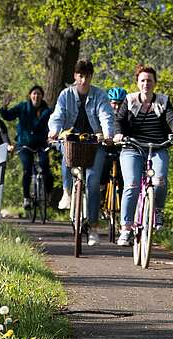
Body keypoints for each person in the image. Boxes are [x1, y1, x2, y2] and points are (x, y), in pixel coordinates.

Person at [113, 64, 173, 246]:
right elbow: (118, 121)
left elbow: (172, 120)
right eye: (143, 80)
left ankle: (158, 211)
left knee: (160, 180)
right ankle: (126, 228)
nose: (146, 83)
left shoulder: (163, 101)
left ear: (155, 83)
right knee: (131, 184)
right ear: (137, 83)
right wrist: (118, 134)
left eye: (150, 80)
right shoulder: (129, 100)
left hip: (157, 147)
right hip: (132, 148)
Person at [48, 59, 115, 246]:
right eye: (80, 76)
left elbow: (106, 115)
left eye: (87, 76)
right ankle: (67, 191)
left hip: (95, 140)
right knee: (66, 150)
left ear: (91, 76)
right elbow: (58, 115)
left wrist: (108, 134)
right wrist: (54, 130)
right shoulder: (65, 95)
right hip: (72, 139)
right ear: (75, 76)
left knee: (93, 182)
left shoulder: (99, 95)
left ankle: (93, 227)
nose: (84, 80)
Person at [0, 85, 54, 209]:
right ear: (30, 95)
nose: (36, 96)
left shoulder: (47, 110)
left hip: (41, 143)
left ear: (42, 96)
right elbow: (8, 116)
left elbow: (54, 124)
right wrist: (4, 107)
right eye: (34, 93)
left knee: (45, 166)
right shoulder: (22, 107)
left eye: (39, 94)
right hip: (24, 144)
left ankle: (47, 193)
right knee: (27, 169)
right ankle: (26, 198)